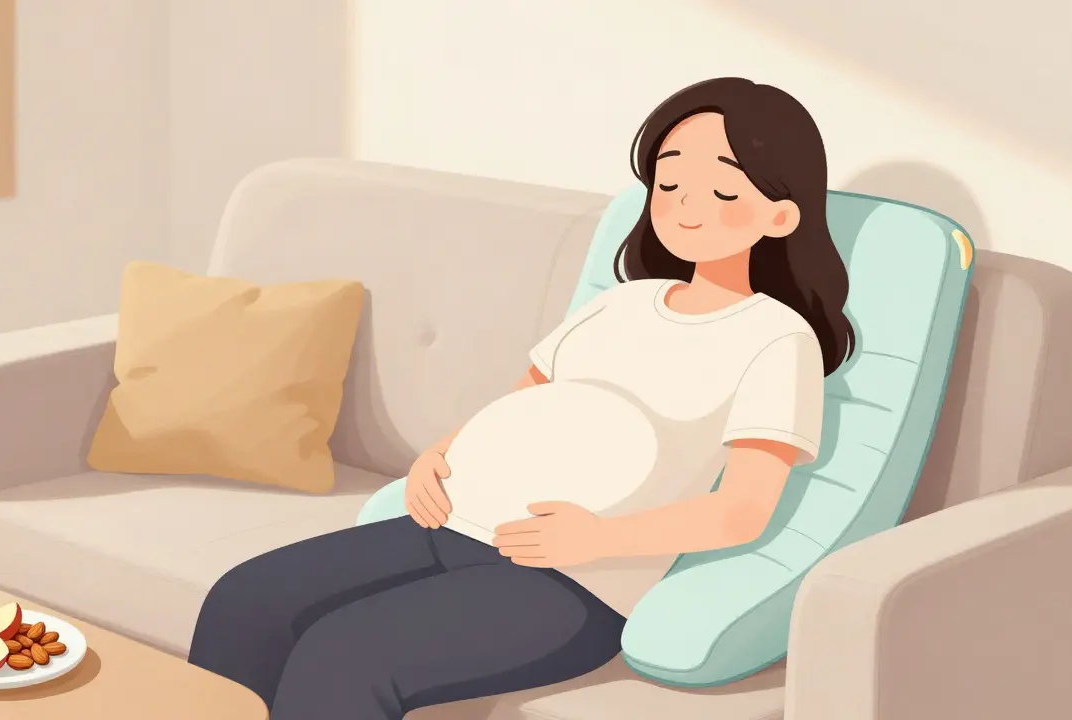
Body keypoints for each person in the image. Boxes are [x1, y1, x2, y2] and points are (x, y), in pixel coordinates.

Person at [187, 77, 855, 719]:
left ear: (780, 214)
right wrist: (437, 458)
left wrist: (598, 537)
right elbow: (519, 408)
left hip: (575, 581)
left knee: (345, 655)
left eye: (720, 190)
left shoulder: (775, 338)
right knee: (247, 597)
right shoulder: (621, 304)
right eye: (670, 180)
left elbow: (741, 511)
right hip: (454, 523)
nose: (684, 204)